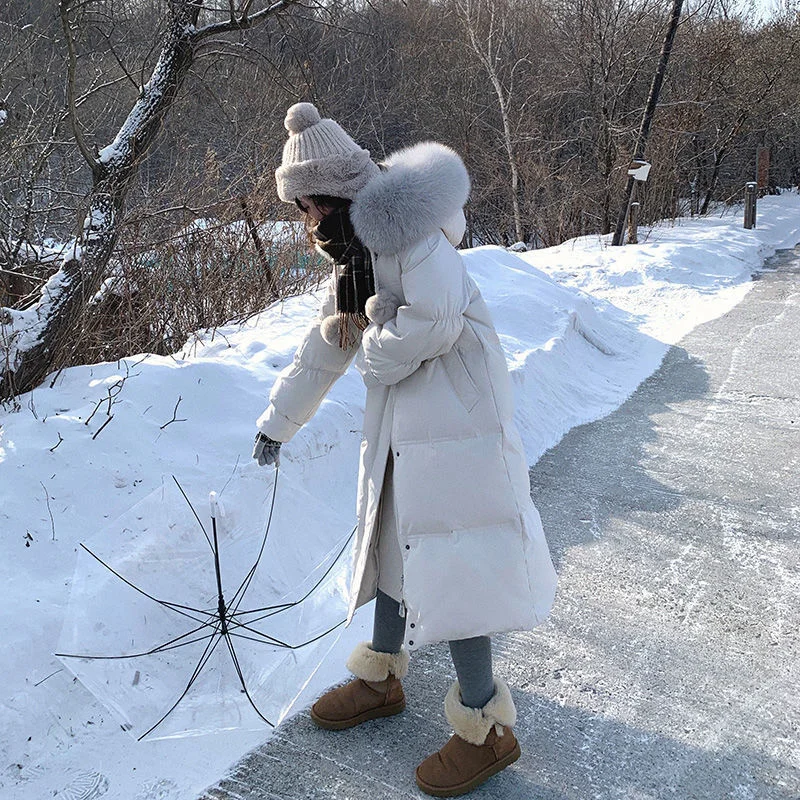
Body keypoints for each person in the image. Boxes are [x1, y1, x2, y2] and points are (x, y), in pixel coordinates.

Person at [253, 102, 557, 797]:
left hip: (456, 416)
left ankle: (486, 728)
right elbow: (330, 339)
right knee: (395, 538)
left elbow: (435, 323)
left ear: (329, 196)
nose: (304, 218)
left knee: (457, 564)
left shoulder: (407, 234)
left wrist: (372, 341)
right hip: (406, 415)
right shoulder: (357, 253)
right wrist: (278, 423)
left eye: (305, 204)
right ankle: (382, 677)